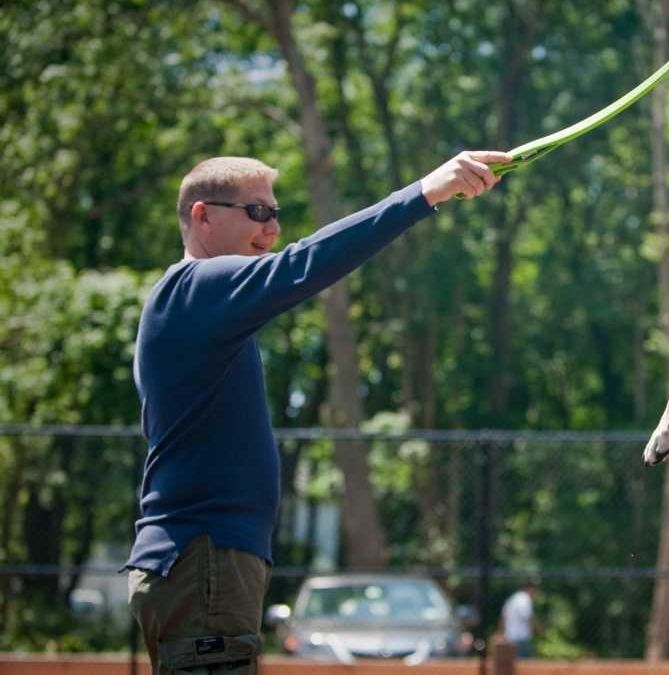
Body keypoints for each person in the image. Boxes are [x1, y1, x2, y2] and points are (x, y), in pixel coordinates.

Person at [124, 150, 510, 674]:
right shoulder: (196, 287)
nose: (273, 228)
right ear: (202, 216)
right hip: (203, 557)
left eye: (275, 214)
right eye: (257, 212)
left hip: (202, 559)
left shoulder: (198, 305)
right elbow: (303, 263)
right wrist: (425, 191)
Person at [500, 580, 538, 657]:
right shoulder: (525, 599)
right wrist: (536, 631)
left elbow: (503, 618)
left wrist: (501, 633)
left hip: (509, 637)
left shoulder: (511, 599)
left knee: (513, 661)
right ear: (529, 588)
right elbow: (529, 618)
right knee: (525, 663)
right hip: (522, 638)